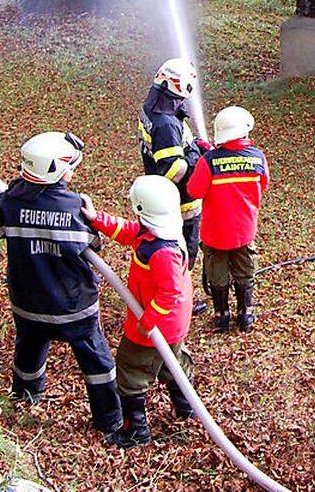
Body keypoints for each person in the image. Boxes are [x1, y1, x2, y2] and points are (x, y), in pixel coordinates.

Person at [0, 131, 122, 438]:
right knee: (96, 360)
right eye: (70, 166)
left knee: (29, 349)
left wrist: (7, 198)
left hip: (28, 302)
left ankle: (24, 397)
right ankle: (109, 420)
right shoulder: (74, 207)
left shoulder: (9, 202)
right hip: (74, 307)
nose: (73, 172)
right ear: (57, 170)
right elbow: (94, 244)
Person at [83, 175, 195, 448]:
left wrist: (147, 321)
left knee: (132, 370)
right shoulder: (158, 232)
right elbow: (128, 231)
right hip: (172, 323)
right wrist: (96, 218)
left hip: (157, 325)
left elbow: (170, 293)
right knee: (172, 363)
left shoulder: (162, 252)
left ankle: (136, 431)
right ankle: (186, 408)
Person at [185, 106, 269, 333]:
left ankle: (221, 315)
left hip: (215, 233)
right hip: (244, 231)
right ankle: (246, 314)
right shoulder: (258, 158)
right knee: (245, 270)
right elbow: (263, 184)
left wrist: (202, 160)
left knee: (217, 274)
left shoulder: (209, 161)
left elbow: (194, 191)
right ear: (244, 133)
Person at [139, 57, 208, 315]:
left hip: (160, 193)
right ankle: (178, 301)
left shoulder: (153, 104)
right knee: (184, 250)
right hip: (181, 201)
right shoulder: (166, 123)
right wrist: (194, 154)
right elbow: (172, 170)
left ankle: (159, 292)